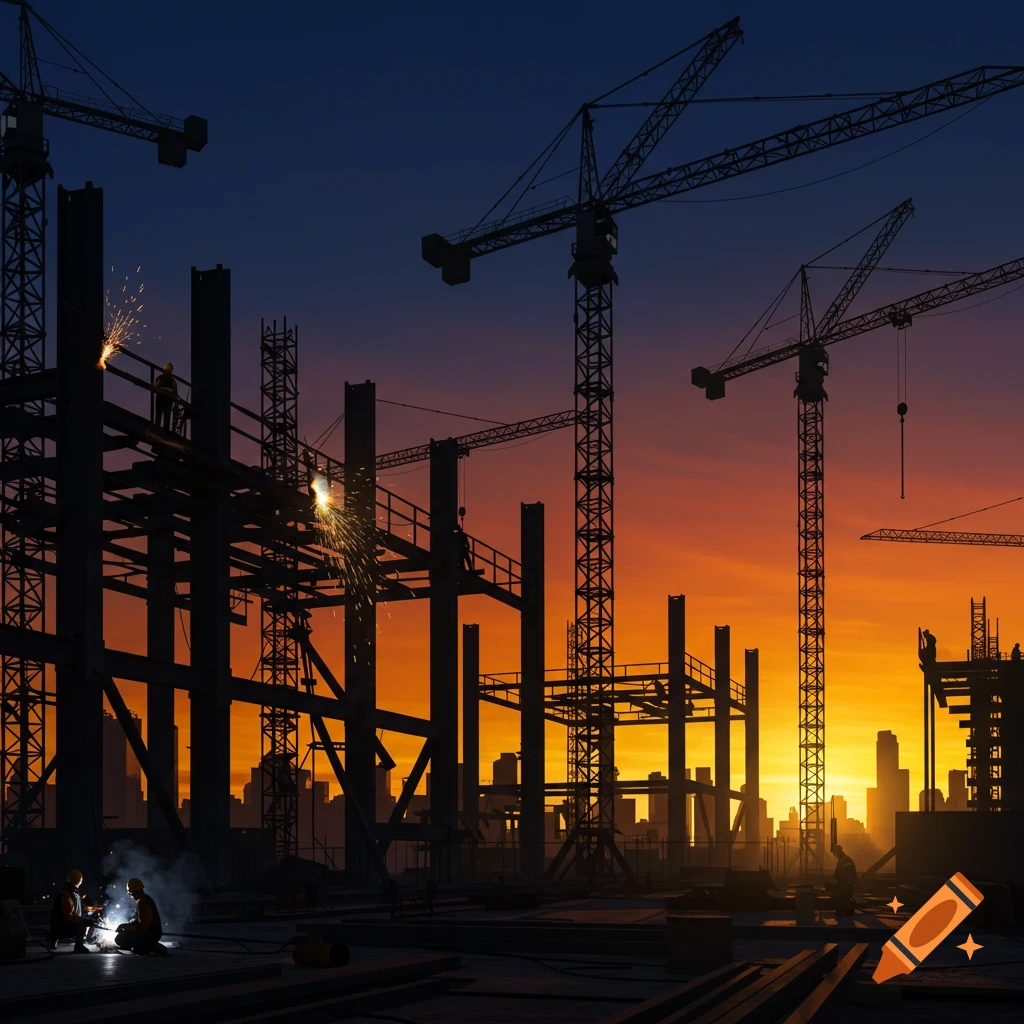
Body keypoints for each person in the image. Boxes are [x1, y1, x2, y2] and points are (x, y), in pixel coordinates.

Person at [46, 869, 97, 953]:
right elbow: (69, 915)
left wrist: (94, 909)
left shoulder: (71, 893)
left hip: (59, 925)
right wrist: (84, 920)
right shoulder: (66, 895)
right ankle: (78, 946)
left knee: (83, 922)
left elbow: (80, 908)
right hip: (62, 926)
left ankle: (53, 937)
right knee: (82, 924)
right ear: (80, 881)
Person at [114, 877, 165, 955]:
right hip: (151, 933)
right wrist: (134, 917)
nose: (132, 896)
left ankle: (150, 946)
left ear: (135, 892)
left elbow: (142, 925)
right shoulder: (145, 899)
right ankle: (146, 945)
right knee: (126, 934)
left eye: (131, 893)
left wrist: (125, 926)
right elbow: (143, 917)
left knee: (120, 938)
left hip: (149, 935)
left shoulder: (142, 902)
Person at [831, 844, 858, 918]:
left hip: (845, 885)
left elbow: (848, 875)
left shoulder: (845, 861)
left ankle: (845, 916)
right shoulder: (843, 860)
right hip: (844, 885)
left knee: (844, 901)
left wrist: (840, 883)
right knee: (843, 901)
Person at [153, 363, 177, 431]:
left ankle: (161, 431)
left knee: (164, 417)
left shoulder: (172, 381)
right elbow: (155, 387)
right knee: (161, 417)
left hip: (166, 401)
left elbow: (175, 393)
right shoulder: (161, 378)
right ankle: (159, 431)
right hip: (162, 400)